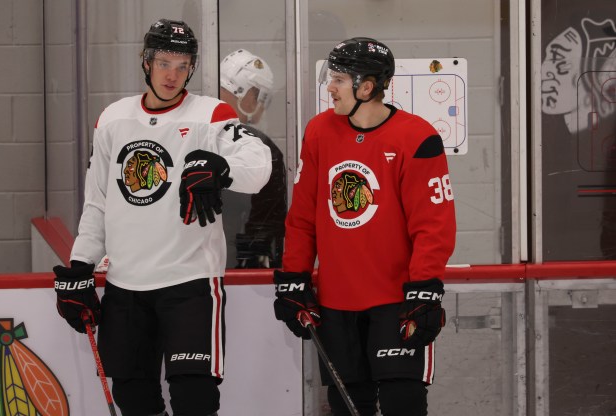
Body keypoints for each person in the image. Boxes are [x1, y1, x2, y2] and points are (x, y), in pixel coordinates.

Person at [52, 19, 271, 416]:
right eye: (165, 63)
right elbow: (97, 202)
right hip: (125, 286)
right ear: (146, 62)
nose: (173, 75)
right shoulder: (113, 119)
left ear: (192, 67)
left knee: (195, 399)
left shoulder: (211, 114)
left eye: (183, 65)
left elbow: (258, 167)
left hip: (189, 285)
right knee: (133, 399)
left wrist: (221, 168)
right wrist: (81, 264)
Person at [272, 37, 456, 416]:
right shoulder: (320, 131)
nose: (330, 87)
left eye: (338, 79)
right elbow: (303, 216)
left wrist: (424, 290)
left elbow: (433, 224)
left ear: (367, 86)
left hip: (396, 302)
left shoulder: (416, 137)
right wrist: (295, 276)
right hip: (336, 303)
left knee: (402, 403)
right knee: (346, 407)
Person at [219, 49, 287, 268]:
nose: (260, 105)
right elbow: (267, 223)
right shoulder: (263, 147)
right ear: (246, 93)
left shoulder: (190, 131)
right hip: (240, 266)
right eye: (259, 96)